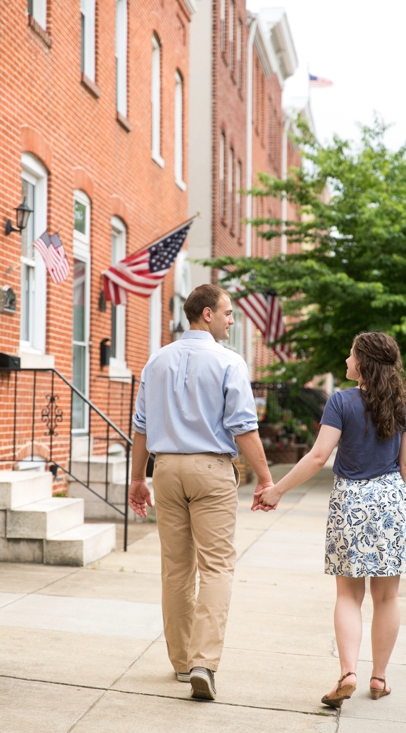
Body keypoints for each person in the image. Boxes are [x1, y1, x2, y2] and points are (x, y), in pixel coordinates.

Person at [255, 331, 406, 708]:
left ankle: (348, 672)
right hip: (392, 500)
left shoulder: (340, 402)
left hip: (352, 502)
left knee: (348, 594)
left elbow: (317, 458)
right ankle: (379, 679)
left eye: (350, 355)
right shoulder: (405, 405)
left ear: (362, 362)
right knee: (387, 596)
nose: (346, 361)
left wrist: (277, 490)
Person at [128, 284, 275, 701]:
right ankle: (203, 663)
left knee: (176, 568)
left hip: (166, 469)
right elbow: (244, 427)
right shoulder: (229, 361)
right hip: (210, 469)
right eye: (228, 313)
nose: (233, 320)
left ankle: (180, 663)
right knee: (216, 568)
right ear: (206, 314)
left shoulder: (156, 360)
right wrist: (266, 479)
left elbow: (140, 425)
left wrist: (138, 477)